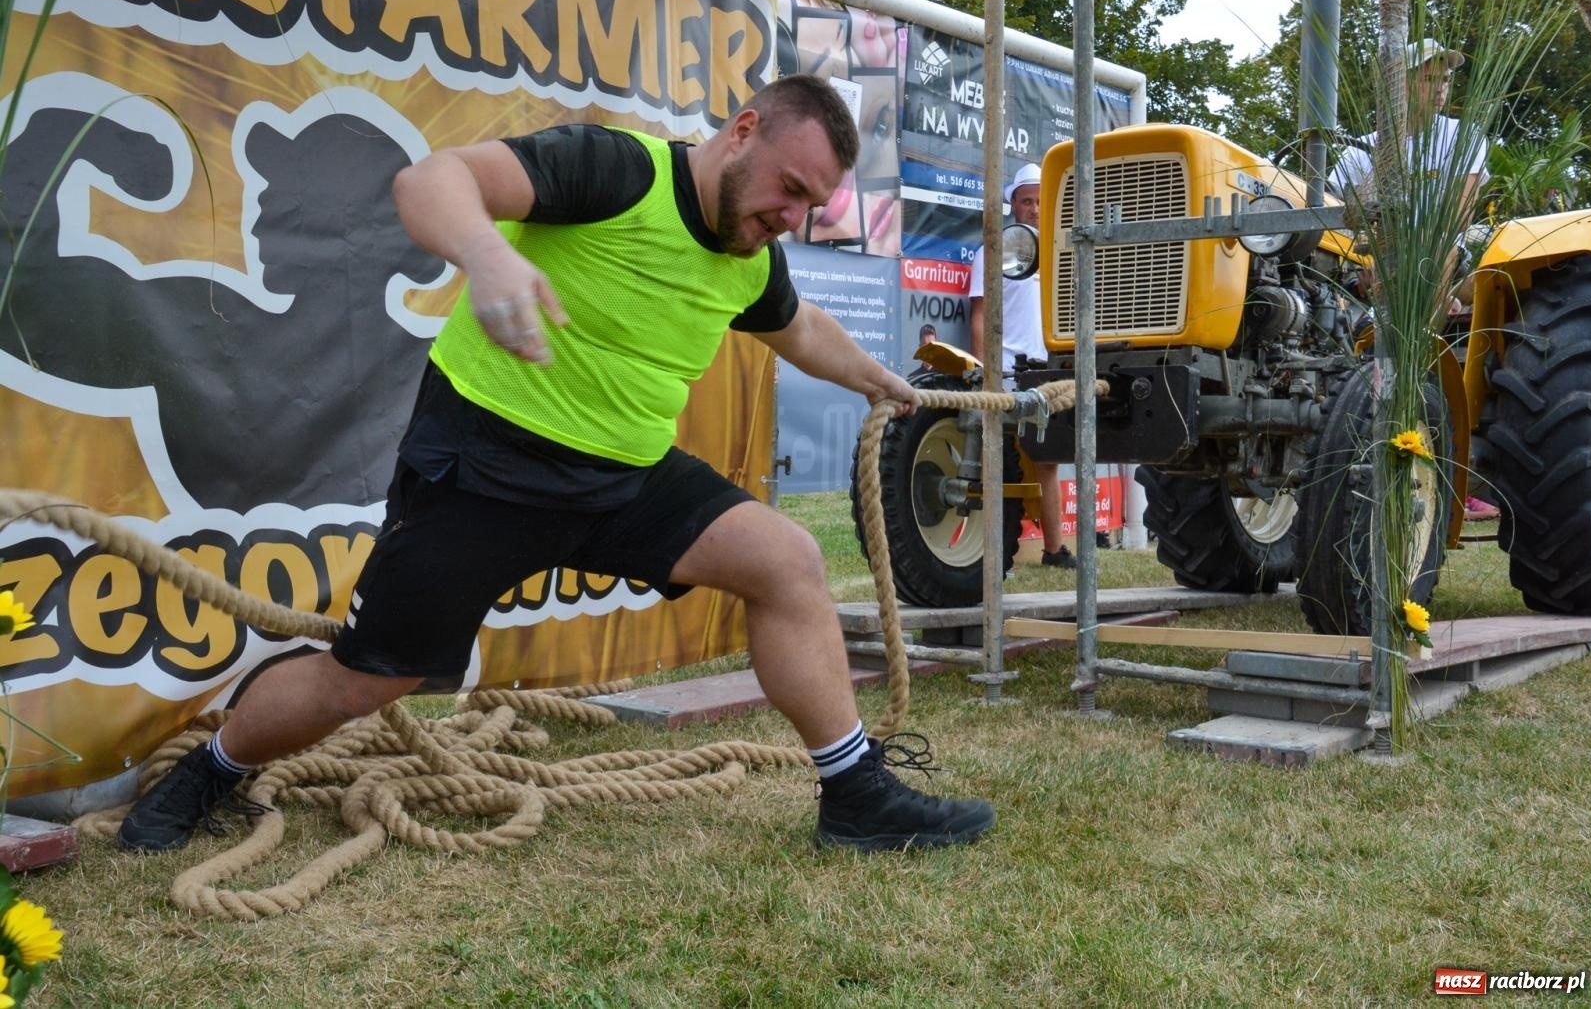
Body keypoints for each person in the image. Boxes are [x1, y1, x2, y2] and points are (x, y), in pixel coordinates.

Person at [117, 74, 996, 855]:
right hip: (482, 470)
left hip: (624, 482)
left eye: (812, 207)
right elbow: (432, 180)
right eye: (788, 188)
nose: (791, 218)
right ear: (742, 131)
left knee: (789, 562)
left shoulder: (749, 254)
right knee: (363, 681)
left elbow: (798, 328)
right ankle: (213, 768)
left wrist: (878, 379)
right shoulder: (614, 171)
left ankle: (854, 797)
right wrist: (490, 252)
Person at [1330, 39, 1489, 316]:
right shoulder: (1360, 149)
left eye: (1446, 80)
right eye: (1429, 79)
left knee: (1432, 242)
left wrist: (1398, 251)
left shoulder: (1463, 135)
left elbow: (1458, 217)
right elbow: (1333, 210)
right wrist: (1362, 258)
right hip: (1376, 257)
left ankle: (1419, 331)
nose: (1441, 89)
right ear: (1399, 85)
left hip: (1441, 250)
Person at [966, 163, 1074, 569]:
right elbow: (980, 315)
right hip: (1007, 374)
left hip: (1050, 371)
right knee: (995, 458)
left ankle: (1054, 550)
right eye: (1026, 201)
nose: (1033, 208)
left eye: (1039, 201)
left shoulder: (1063, 253)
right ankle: (989, 551)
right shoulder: (992, 251)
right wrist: (983, 371)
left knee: (1048, 461)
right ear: (1013, 204)